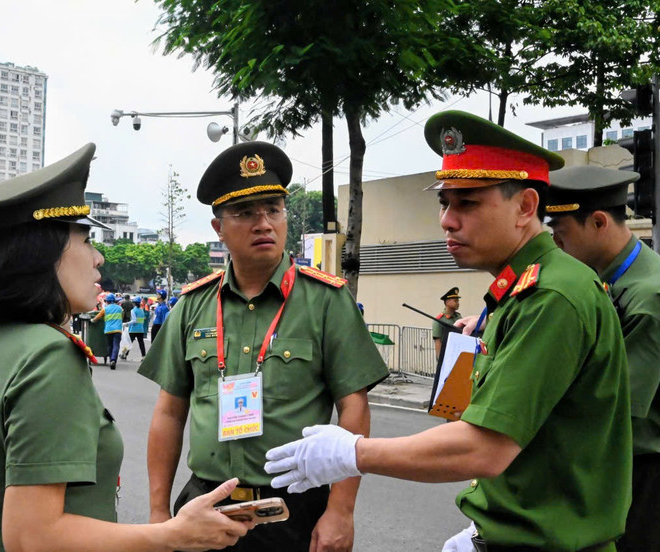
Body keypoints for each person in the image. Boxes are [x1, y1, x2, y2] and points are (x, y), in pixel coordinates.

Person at [265, 111, 632, 551]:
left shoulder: (551, 295)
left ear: (526, 207)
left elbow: (484, 448)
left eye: (468, 203)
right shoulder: (520, 289)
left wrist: (353, 453)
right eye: (445, 202)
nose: (447, 220)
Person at [0, 142, 252, 552]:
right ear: (41, 255)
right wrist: (173, 534)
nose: (98, 258)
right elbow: (33, 536)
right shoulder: (47, 356)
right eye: (85, 241)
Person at [139, 141, 388, 552]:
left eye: (273, 209)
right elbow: (169, 412)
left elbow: (354, 407)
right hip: (205, 506)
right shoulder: (192, 305)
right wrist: (157, 512)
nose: (264, 223)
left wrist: (341, 510)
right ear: (219, 228)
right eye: (245, 213)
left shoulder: (326, 300)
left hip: (293, 513)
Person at [545, 165, 660, 551]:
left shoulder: (646, 297)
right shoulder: (611, 279)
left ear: (597, 222)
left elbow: (616, 403)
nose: (557, 247)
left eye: (562, 236)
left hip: (642, 473)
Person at [92, 293, 123, 369]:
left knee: (110, 345)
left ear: (107, 301)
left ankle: (110, 360)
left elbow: (97, 318)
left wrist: (92, 320)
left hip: (108, 330)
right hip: (118, 330)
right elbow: (122, 317)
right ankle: (113, 360)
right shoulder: (120, 309)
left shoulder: (105, 309)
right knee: (116, 345)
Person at [432, 287, 462, 359]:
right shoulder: (439, 320)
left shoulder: (458, 317)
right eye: (455, 301)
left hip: (457, 353)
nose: (458, 303)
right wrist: (440, 359)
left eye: (458, 301)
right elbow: (437, 341)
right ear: (447, 302)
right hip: (446, 355)